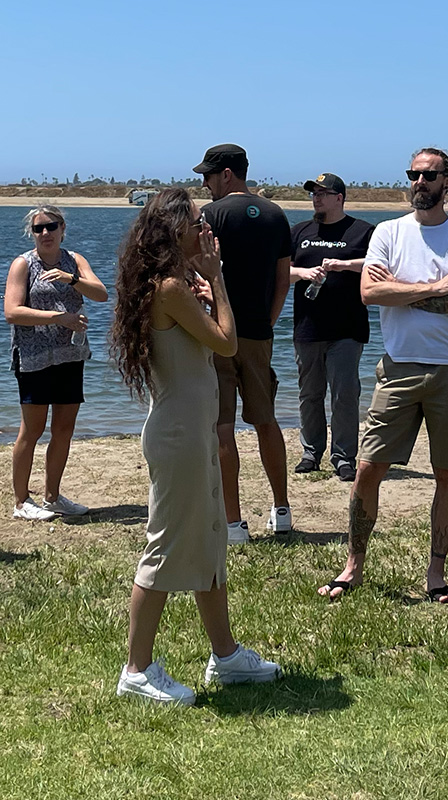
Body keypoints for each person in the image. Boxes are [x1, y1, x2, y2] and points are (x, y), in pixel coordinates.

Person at [110, 188, 281, 705]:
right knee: (165, 544)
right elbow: (228, 342)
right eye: (197, 224)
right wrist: (220, 279)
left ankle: (225, 656)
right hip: (179, 435)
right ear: (173, 231)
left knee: (209, 540)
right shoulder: (167, 288)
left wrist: (206, 285)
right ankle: (137, 669)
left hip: (193, 429)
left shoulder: (175, 285)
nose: (205, 231)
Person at [318, 147, 448, 604]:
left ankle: (436, 572)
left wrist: (402, 291)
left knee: (447, 473)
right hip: (398, 367)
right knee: (369, 467)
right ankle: (353, 565)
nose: (419, 182)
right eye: (413, 174)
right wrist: (434, 286)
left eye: (429, 175)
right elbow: (370, 292)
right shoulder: (389, 233)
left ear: (447, 181)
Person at [193, 144, 293, 543]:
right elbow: (283, 279)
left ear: (227, 175)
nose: (205, 184)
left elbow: (196, 271)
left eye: (209, 176)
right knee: (267, 421)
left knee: (222, 428)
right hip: (259, 334)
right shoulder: (276, 214)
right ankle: (281, 508)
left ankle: (233, 523)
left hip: (220, 333)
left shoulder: (210, 216)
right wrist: (267, 323)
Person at [4, 205, 108, 521]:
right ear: (32, 234)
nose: (45, 234)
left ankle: (52, 496)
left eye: (51, 227)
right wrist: (58, 318)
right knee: (32, 430)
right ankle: (22, 501)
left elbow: (101, 294)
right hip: (34, 357)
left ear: (63, 228)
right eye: (39, 229)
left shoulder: (74, 261)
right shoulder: (23, 265)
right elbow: (12, 311)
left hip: (70, 356)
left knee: (63, 428)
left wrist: (72, 279)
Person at [289, 172, 374, 482]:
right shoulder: (299, 231)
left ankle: (343, 457)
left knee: (344, 395)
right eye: (314, 193)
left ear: (339, 198)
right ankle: (311, 452)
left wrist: (342, 265)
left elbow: (378, 265)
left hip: (347, 329)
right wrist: (302, 272)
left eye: (323, 194)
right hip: (307, 328)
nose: (317, 198)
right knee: (309, 394)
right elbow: (280, 272)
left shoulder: (362, 231)